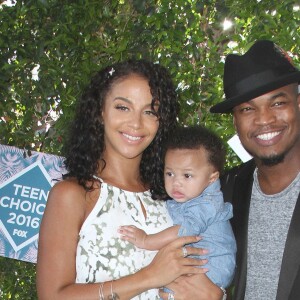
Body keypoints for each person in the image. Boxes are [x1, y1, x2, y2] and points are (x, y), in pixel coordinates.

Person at [36, 59, 209, 300]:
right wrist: (149, 277)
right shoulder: (75, 194)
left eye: (150, 111)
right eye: (122, 107)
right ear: (100, 111)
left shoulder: (172, 194)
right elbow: (52, 297)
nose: (136, 123)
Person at [210, 40, 300, 299]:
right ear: (236, 121)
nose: (264, 120)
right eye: (248, 108)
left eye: (277, 103)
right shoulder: (226, 188)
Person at [119, 125, 236, 294]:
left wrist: (146, 240)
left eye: (187, 175)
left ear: (212, 178)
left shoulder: (208, 203)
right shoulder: (191, 195)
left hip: (211, 269)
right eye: (170, 174)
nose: (176, 183)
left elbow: (183, 231)